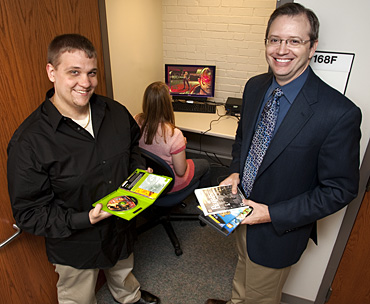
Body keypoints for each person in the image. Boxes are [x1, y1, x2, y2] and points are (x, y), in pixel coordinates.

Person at [205, 3, 361, 304]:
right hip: (240, 214)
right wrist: (236, 171)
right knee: (242, 277)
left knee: (261, 297)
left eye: (294, 41)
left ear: (313, 47)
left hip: (278, 231)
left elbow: (339, 190)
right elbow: (244, 139)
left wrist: (271, 214)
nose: (281, 49)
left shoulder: (338, 113)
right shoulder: (254, 87)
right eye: (275, 39)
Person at [7, 34, 160, 304]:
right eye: (74, 72)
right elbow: (29, 214)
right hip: (75, 244)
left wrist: (138, 177)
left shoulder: (115, 111)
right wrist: (84, 219)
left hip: (121, 228)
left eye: (92, 73)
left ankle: (129, 297)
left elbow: (133, 148)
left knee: (123, 270)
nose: (86, 83)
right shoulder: (29, 142)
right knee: (79, 298)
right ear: (51, 72)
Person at [135, 81, 210, 193]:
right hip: (169, 183)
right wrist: (182, 145)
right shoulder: (175, 134)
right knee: (206, 164)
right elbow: (180, 172)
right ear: (167, 104)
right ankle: (201, 202)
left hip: (148, 177)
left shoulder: (136, 120)